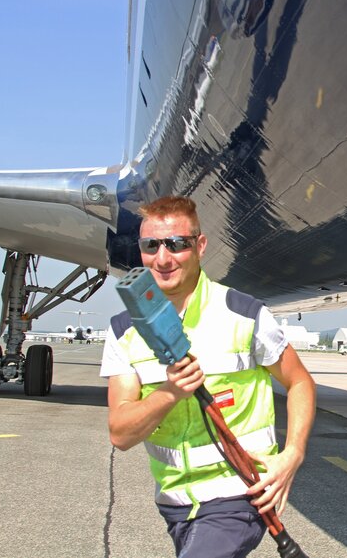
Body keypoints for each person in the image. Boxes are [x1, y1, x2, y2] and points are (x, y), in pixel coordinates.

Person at [100, 195, 316, 558]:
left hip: (238, 493)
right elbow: (120, 433)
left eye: (177, 244)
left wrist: (292, 454)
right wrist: (169, 393)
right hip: (174, 502)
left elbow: (299, 382)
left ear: (199, 245)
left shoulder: (244, 315)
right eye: (151, 246)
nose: (163, 258)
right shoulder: (123, 331)